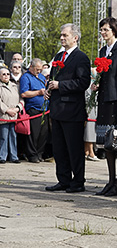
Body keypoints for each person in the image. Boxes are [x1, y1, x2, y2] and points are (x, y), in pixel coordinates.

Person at [45, 23, 91, 193]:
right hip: (57, 109)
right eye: (61, 35)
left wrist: (60, 85)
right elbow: (52, 78)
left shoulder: (81, 58)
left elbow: (83, 82)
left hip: (72, 111)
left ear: (75, 37)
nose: (62, 38)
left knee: (74, 149)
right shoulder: (58, 56)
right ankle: (63, 179)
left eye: (65, 35)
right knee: (59, 148)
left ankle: (78, 181)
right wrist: (48, 89)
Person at [93, 17, 117, 197]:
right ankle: (110, 181)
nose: (103, 33)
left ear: (114, 31)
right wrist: (97, 84)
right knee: (107, 142)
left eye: (106, 30)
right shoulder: (103, 50)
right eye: (101, 30)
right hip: (105, 100)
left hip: (116, 102)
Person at [19, 58, 48, 163]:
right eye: (37, 69)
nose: (39, 71)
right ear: (31, 67)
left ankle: (40, 153)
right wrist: (38, 93)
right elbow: (24, 93)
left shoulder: (41, 77)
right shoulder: (25, 77)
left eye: (40, 69)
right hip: (33, 109)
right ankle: (31, 155)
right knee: (34, 134)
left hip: (44, 109)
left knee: (43, 133)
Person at [0, 67, 23, 164]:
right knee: (3, 136)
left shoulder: (15, 86)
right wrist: (7, 110)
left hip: (14, 116)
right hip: (4, 115)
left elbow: (21, 99)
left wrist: (18, 108)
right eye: (3, 74)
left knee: (13, 136)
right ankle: (2, 156)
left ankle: (14, 156)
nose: (6, 76)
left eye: (8, 74)